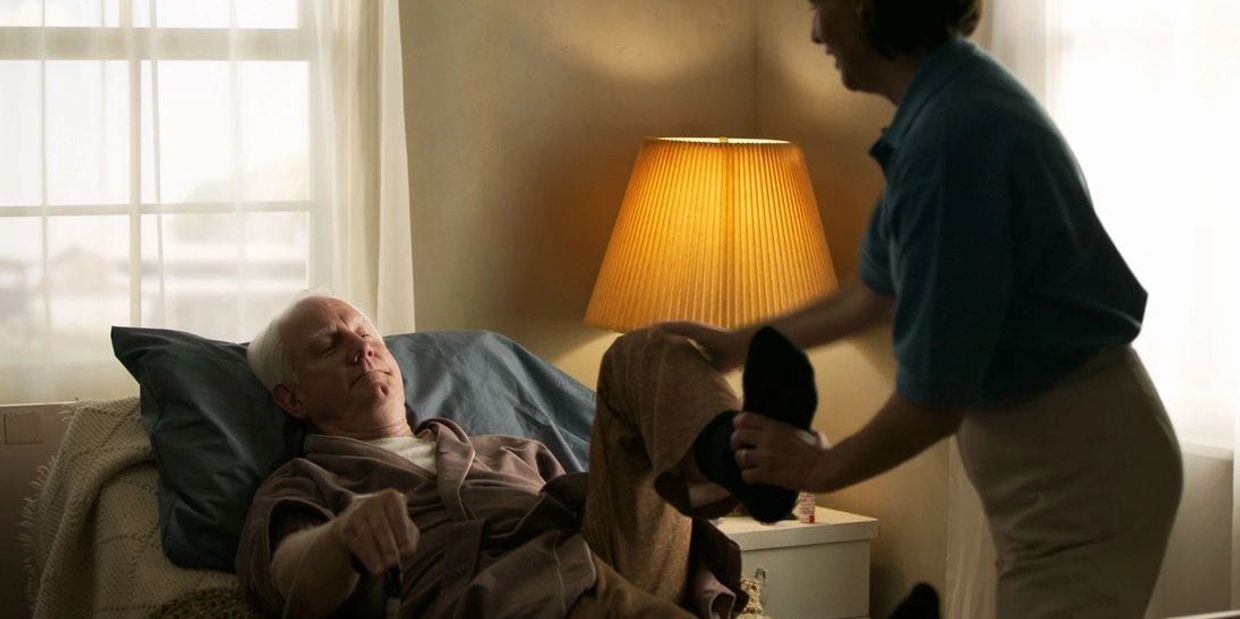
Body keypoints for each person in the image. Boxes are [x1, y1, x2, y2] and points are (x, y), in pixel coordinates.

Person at [660, 0, 1183, 616]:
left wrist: (820, 466)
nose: (812, 31)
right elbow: (874, 293)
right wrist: (735, 344)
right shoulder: (943, 108)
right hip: (1066, 468)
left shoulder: (952, 141)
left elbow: (933, 401)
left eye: (816, 6)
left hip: (1081, 475)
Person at [235, 294, 818, 619]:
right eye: (329, 346)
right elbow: (294, 587)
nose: (361, 348)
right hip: (500, 600)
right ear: (291, 398)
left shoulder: (510, 449)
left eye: (368, 335)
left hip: (604, 560)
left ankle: (736, 459)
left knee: (646, 348)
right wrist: (341, 537)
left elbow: (615, 519)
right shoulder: (306, 480)